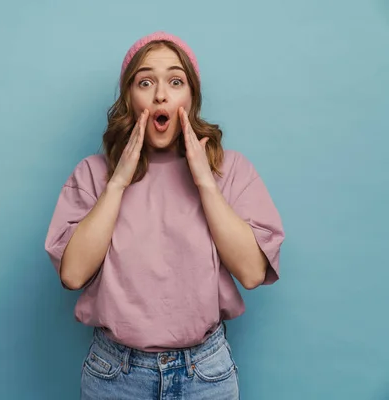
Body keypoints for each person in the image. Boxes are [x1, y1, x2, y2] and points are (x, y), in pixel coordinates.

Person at [44, 31, 284, 400]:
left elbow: (252, 273)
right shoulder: (92, 174)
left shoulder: (231, 171)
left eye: (175, 81)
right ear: (130, 98)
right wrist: (119, 181)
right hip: (115, 375)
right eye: (145, 82)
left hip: (205, 374)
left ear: (191, 98)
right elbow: (73, 274)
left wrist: (204, 181)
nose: (161, 94)